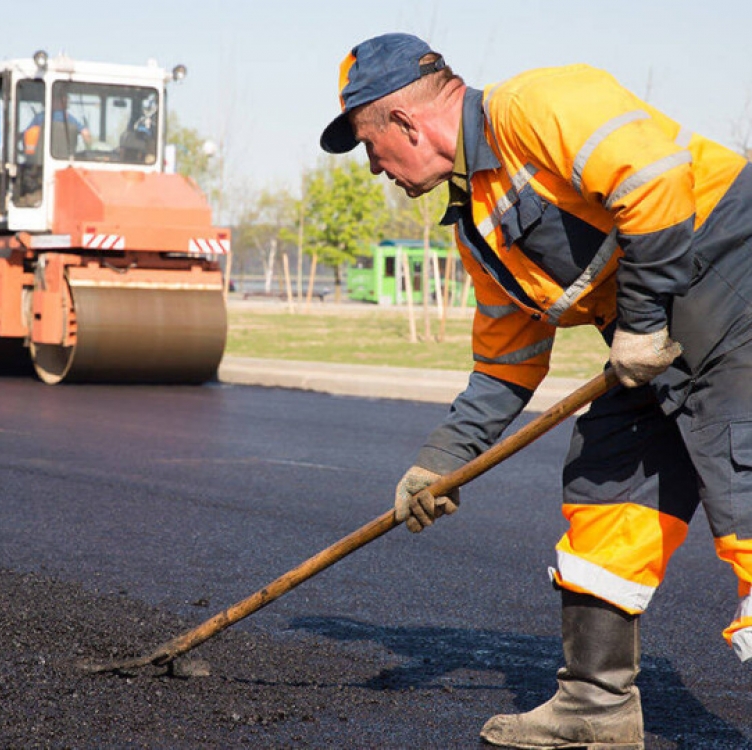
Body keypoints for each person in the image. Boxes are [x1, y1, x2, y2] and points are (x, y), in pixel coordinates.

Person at [321, 32, 752, 749]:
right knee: (607, 482)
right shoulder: (478, 225)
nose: (374, 169)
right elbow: (507, 362)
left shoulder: (533, 105)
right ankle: (595, 705)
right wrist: (440, 461)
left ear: (406, 122)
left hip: (732, 280)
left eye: (370, 146)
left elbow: (656, 181)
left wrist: (641, 322)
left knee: (745, 495)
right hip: (649, 336)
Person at [22, 91, 92, 159]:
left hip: (41, 162)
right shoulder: (69, 118)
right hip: (66, 162)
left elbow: (26, 135)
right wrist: (90, 150)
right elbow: (85, 133)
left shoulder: (40, 118)